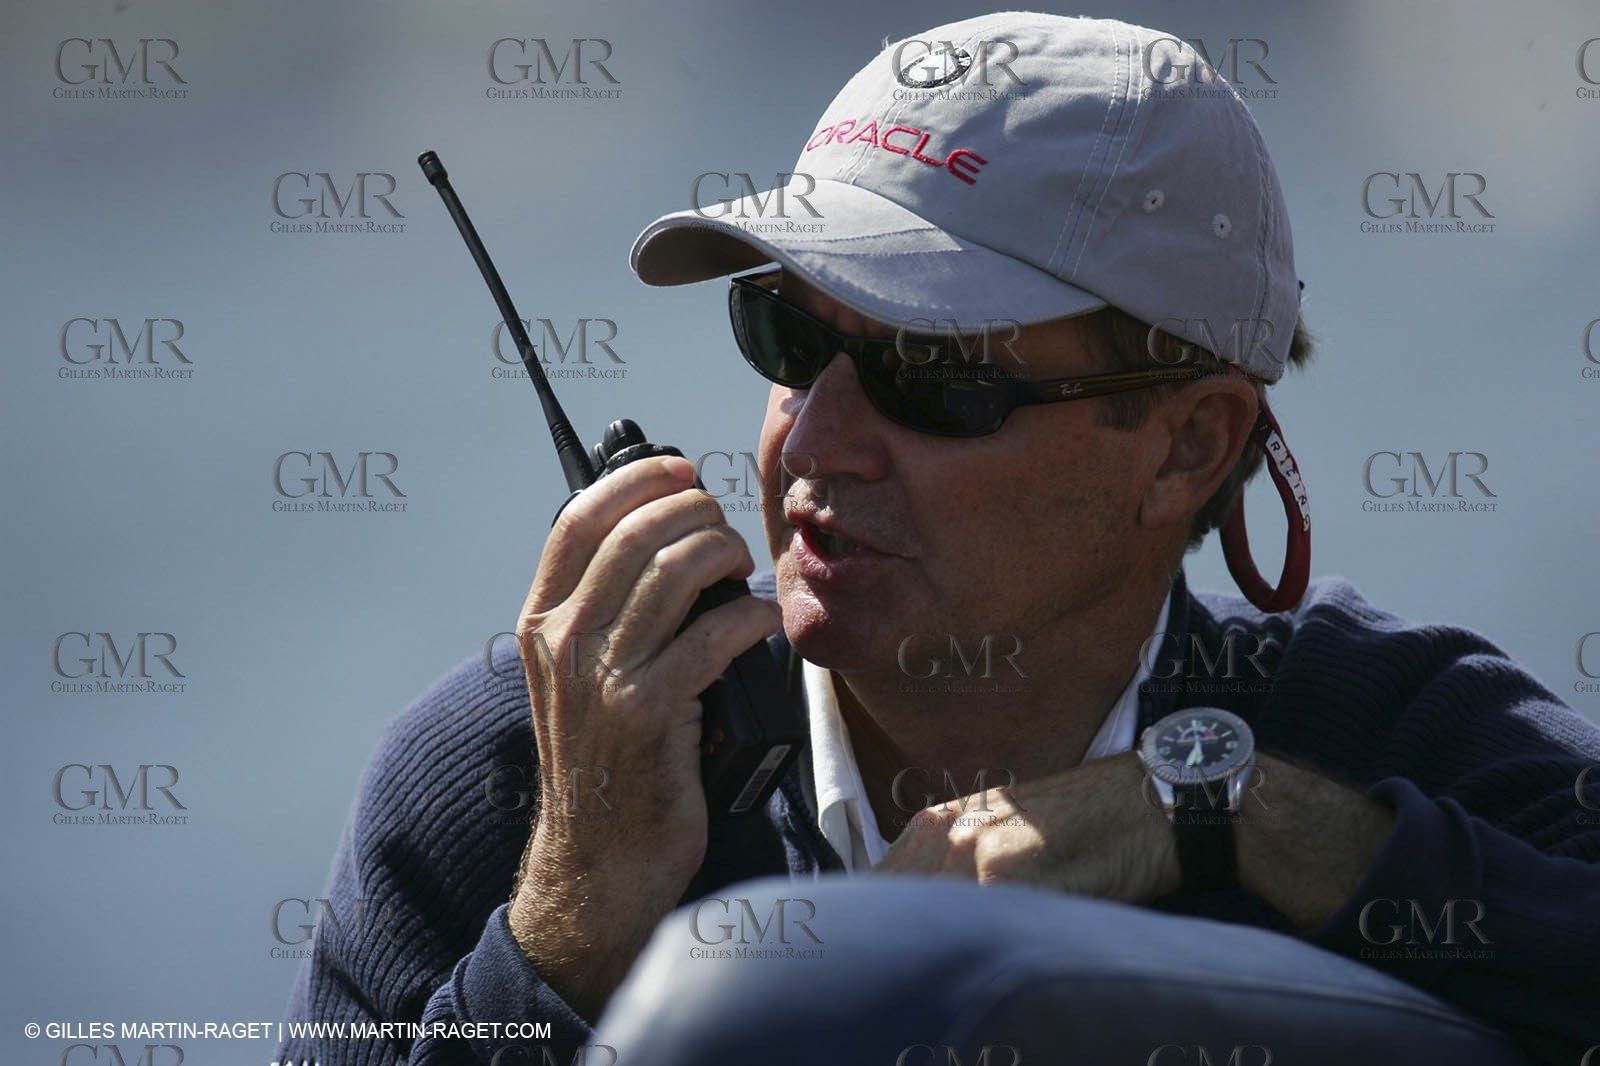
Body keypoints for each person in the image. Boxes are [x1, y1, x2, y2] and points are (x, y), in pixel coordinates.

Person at [278, 13, 1600, 1066]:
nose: (813, 443)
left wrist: (1219, 813)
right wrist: (570, 932)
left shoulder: (1370, 733)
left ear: (1189, 444)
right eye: (791, 342)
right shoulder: (523, 770)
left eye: (934, 375)